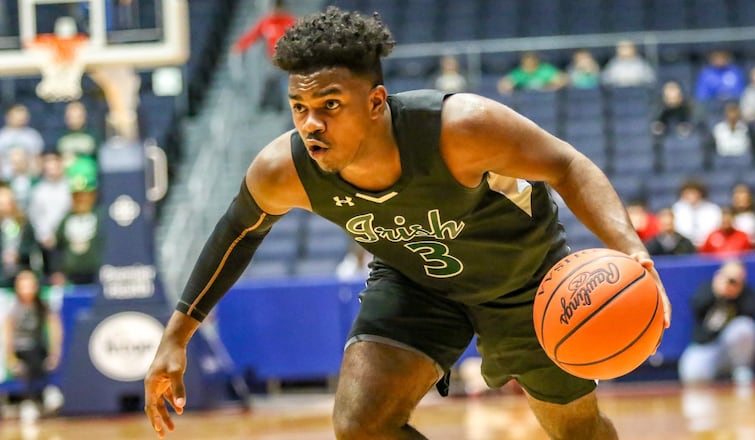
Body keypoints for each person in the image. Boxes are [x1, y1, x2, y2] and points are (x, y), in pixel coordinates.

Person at [144, 7, 671, 439]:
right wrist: (177, 337)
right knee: (360, 427)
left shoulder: (459, 128)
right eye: (299, 106)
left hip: (528, 283)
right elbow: (238, 232)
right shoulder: (284, 169)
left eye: (329, 105)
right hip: (417, 282)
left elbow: (568, 164)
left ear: (375, 102)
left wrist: (632, 249)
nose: (311, 123)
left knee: (579, 434)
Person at [677, 260, 755, 387]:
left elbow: (751, 313)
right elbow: (696, 306)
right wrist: (717, 293)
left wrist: (735, 295)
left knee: (745, 328)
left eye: (736, 280)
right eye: (729, 278)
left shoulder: (746, 294)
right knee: (691, 373)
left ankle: (741, 370)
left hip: (730, 348)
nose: (731, 283)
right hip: (707, 346)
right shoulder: (707, 289)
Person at [3, 270, 64, 421]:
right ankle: (43, 394)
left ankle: (32, 400)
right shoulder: (13, 306)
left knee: (36, 354)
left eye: (29, 285)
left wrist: (55, 353)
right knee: (30, 357)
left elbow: (55, 327)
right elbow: (7, 333)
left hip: (39, 349)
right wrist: (10, 358)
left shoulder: (42, 305)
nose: (27, 289)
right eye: (23, 285)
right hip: (20, 350)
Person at [232, 0, 296, 111]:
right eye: (273, 8)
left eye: (277, 8)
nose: (275, 11)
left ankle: (290, 108)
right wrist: (239, 46)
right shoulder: (266, 22)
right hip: (272, 62)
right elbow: (251, 36)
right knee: (269, 81)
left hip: (289, 63)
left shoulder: (290, 21)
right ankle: (266, 105)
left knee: (287, 85)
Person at [53, 159, 104, 285]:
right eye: (77, 195)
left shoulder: (102, 216)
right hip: (72, 274)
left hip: (98, 272)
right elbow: (58, 246)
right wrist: (59, 270)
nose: (81, 199)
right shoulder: (66, 219)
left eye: (85, 195)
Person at [27, 151, 72, 281]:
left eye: (54, 164)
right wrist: (44, 235)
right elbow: (35, 216)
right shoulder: (38, 190)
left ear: (61, 164)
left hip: (69, 238)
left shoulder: (70, 186)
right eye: (48, 165)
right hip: (48, 242)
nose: (51, 169)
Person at [0, 104, 44, 181]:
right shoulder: (2, 136)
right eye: (17, 115)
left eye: (23, 115)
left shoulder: (33, 135)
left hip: (28, 178)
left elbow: (37, 160)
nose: (20, 118)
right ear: (8, 117)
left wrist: (34, 179)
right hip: (6, 179)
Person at [672, 178, 722, 246]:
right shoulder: (677, 209)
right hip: (684, 247)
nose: (691, 196)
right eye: (688, 193)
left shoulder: (712, 210)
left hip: (708, 246)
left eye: (694, 192)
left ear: (701, 193)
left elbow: (715, 230)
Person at [55, 101, 101, 173]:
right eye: (71, 117)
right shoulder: (60, 136)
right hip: (66, 178)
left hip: (89, 176)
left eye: (78, 117)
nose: (74, 120)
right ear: (66, 118)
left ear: (84, 117)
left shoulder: (93, 135)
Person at [496, 51, 566, 95]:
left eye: (531, 63)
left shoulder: (545, 70)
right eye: (525, 63)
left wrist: (547, 89)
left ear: (536, 62)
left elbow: (562, 81)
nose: (528, 65)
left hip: (545, 100)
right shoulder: (520, 72)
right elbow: (504, 84)